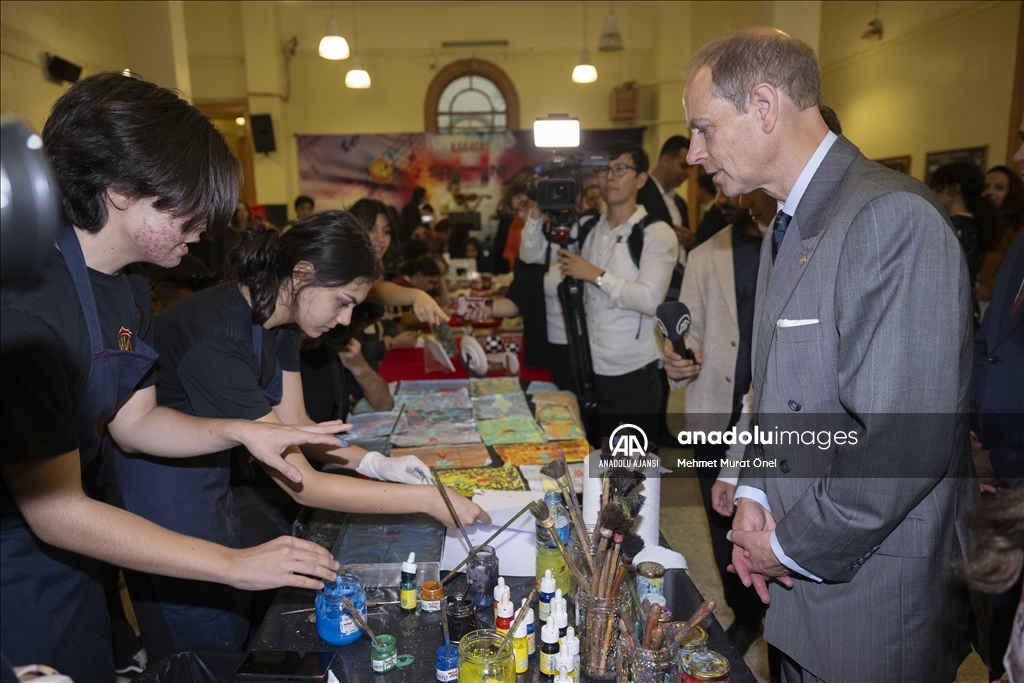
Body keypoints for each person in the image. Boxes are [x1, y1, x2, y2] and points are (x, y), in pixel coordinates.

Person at [0, 72, 343, 681]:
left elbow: (137, 423)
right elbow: (54, 511)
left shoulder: (129, 282)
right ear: (121, 189)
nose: (204, 228)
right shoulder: (29, 305)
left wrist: (239, 431)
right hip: (17, 564)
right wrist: (233, 564)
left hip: (77, 558)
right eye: (187, 208)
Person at [683, 28, 977, 682]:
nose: (694, 153)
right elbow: (785, 387)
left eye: (703, 128)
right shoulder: (790, 221)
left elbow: (901, 447)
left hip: (871, 599)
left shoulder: (890, 217)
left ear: (763, 105)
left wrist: (782, 546)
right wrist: (758, 487)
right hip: (803, 587)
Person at [113, 212, 488, 660]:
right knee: (201, 641)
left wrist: (373, 463)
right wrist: (428, 501)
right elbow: (303, 482)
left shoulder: (283, 318)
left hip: (208, 478)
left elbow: (296, 426)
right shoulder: (218, 341)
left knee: (231, 616)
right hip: (162, 488)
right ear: (302, 275)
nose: (346, 320)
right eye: (343, 302)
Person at [663, 188, 766, 654]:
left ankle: (783, 609)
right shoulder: (706, 254)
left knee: (772, 510)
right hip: (715, 408)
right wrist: (678, 362)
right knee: (722, 516)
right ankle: (744, 612)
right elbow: (690, 332)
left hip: (774, 410)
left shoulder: (802, 241)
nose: (725, 193)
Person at [556, 141, 679, 441]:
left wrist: (595, 275)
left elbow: (651, 299)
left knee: (633, 473)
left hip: (634, 372)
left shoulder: (655, 231)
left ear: (640, 179)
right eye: (603, 170)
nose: (610, 177)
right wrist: (538, 208)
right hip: (589, 370)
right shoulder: (589, 229)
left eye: (620, 169)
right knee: (596, 466)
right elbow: (533, 253)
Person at [929, 161, 1003, 291]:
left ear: (955, 189)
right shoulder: (979, 224)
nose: (932, 193)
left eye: (936, 187)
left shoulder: (951, 227)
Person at [638, 135, 694, 251]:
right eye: (684, 166)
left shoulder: (680, 203)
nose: (688, 174)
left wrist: (691, 240)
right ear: (665, 161)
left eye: (691, 168)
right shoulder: (640, 194)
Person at [978, 165, 1024, 302]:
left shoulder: (1017, 228)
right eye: (986, 187)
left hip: (1001, 298)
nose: (990, 192)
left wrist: (987, 289)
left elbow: (1017, 268)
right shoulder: (979, 221)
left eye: (999, 188)